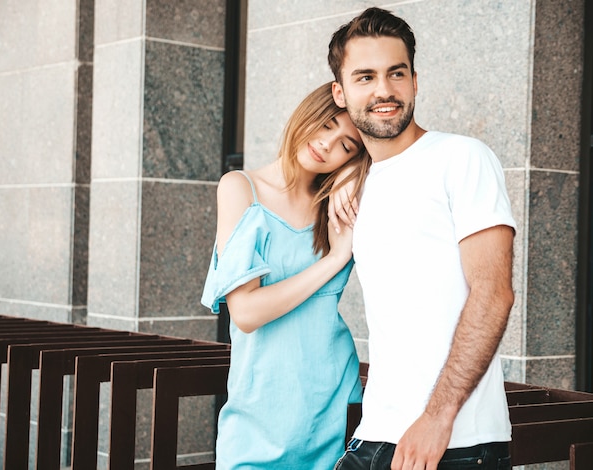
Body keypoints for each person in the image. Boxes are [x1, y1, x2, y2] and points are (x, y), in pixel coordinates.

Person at [327, 7, 516, 470]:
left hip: (456, 444)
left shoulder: (462, 158)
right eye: (365, 77)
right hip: (374, 436)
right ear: (341, 91)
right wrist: (347, 176)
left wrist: (437, 417)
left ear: (415, 80)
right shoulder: (359, 185)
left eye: (396, 73)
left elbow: (493, 295)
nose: (384, 90)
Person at [201, 81, 371, 469]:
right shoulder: (241, 189)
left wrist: (356, 176)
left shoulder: (339, 204)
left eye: (347, 145)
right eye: (328, 124)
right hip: (261, 410)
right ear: (308, 110)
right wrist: (333, 260)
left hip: (334, 402)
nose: (329, 144)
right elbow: (245, 313)